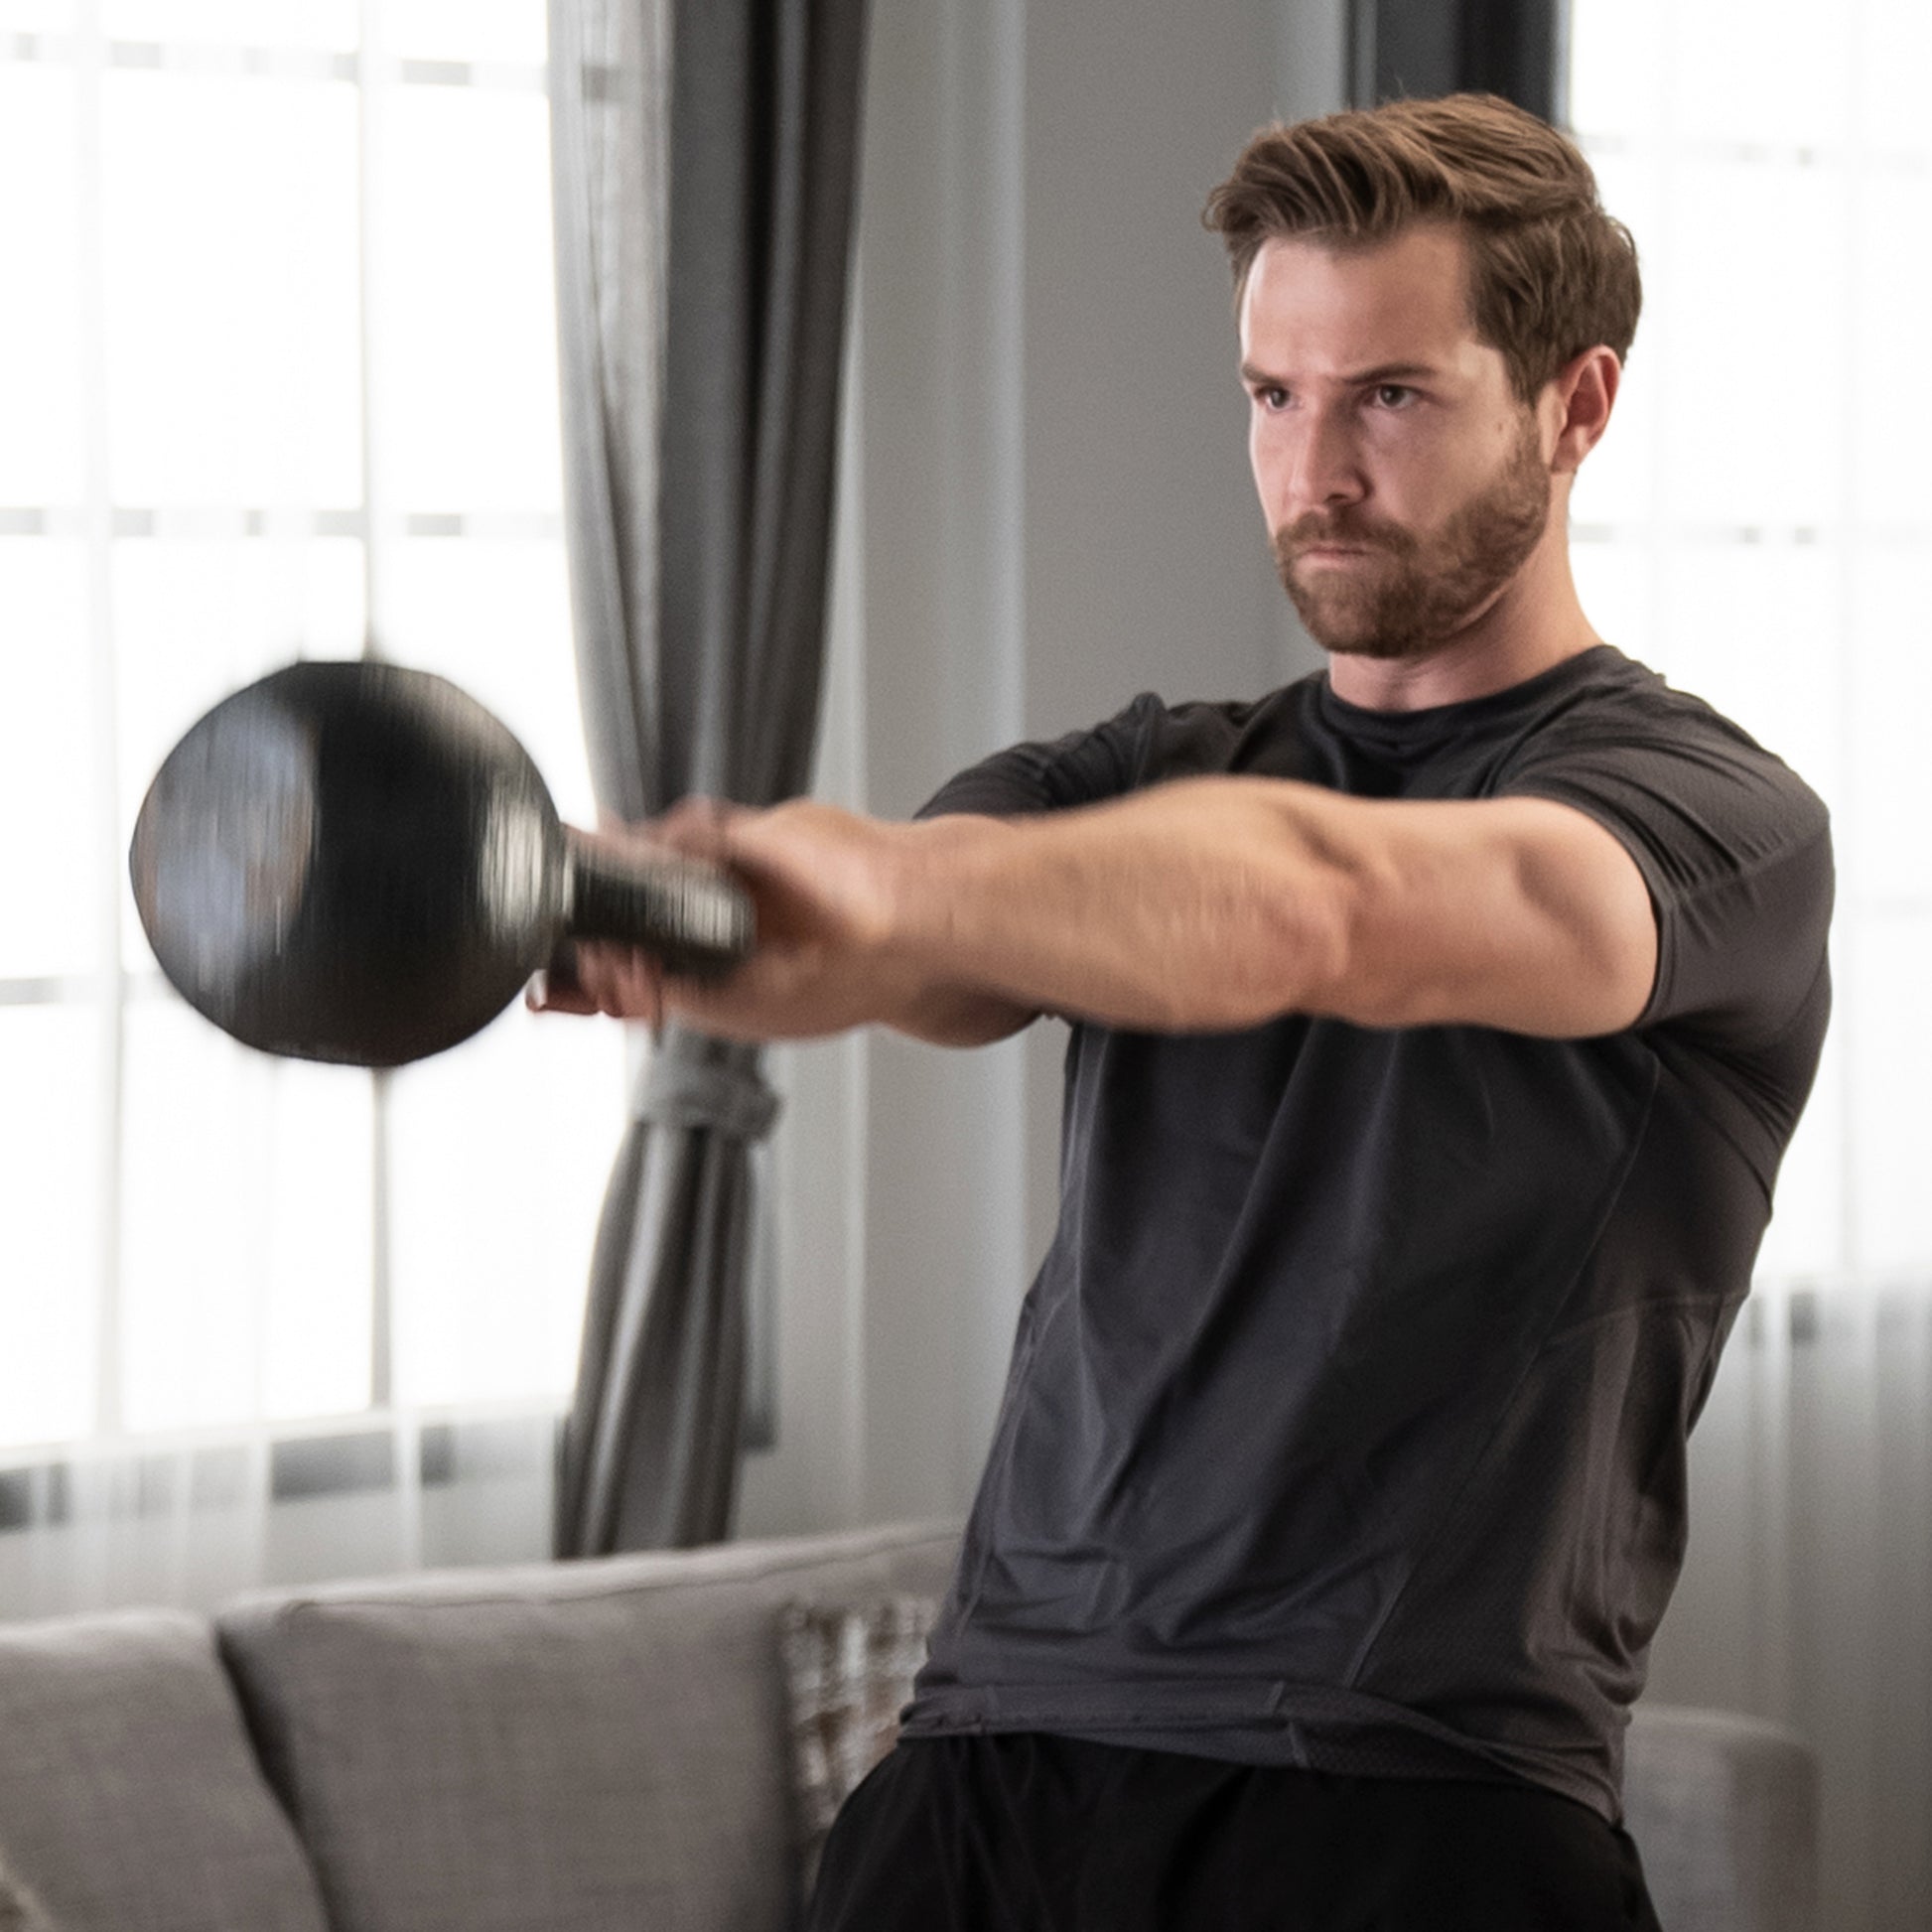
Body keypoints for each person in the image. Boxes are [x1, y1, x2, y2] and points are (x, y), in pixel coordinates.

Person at [537, 92, 1833, 1932]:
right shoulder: (1134, 777)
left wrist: (883, 886)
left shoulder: (1701, 822)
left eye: (1388, 394)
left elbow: (1336, 910)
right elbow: (920, 953)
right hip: (987, 1767)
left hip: (1407, 1801)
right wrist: (661, 904)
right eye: (1270, 395)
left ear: (1577, 403)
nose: (1313, 469)